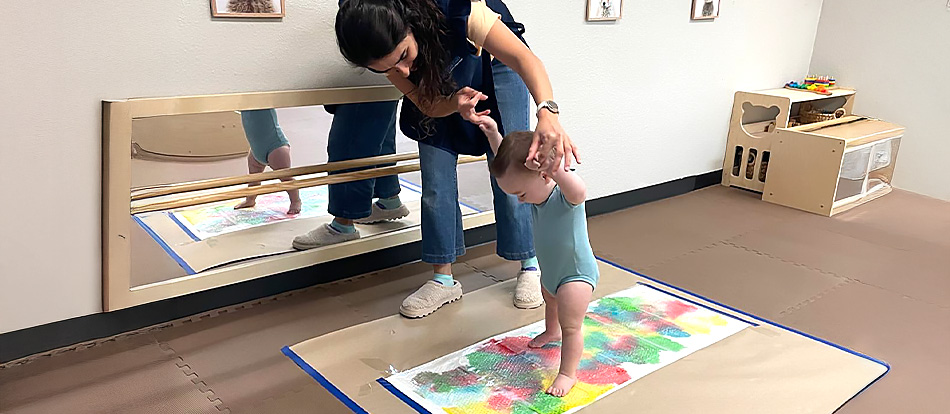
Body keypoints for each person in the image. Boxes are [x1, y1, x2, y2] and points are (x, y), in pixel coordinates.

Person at [334, 0, 579, 318]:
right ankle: (443, 278)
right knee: (435, 181)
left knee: (511, 163)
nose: (403, 72)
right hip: (437, 82)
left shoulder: (459, 10)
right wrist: (452, 104)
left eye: (404, 57)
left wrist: (548, 113)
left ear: (411, 23)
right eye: (389, 69)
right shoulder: (382, 47)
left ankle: (530, 264)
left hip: (497, 64)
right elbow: (426, 102)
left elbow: (524, 58)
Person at [477, 109, 598, 397]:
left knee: (572, 325)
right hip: (553, 271)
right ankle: (550, 331)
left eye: (520, 194)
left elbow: (580, 191)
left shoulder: (564, 195)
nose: (519, 200)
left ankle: (568, 373)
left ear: (544, 174)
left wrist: (556, 168)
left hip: (576, 274)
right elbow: (510, 167)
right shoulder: (536, 194)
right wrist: (494, 134)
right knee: (550, 301)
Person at [292, 102, 411, 250]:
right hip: (383, 81)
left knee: (351, 140)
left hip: (366, 80)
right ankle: (388, 200)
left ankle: (343, 223)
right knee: (379, 124)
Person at [235, 109, 302, 215]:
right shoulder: (244, 103)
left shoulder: (264, 100)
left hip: (275, 146)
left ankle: (296, 201)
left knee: (286, 177)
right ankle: (250, 199)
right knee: (254, 178)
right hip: (256, 149)